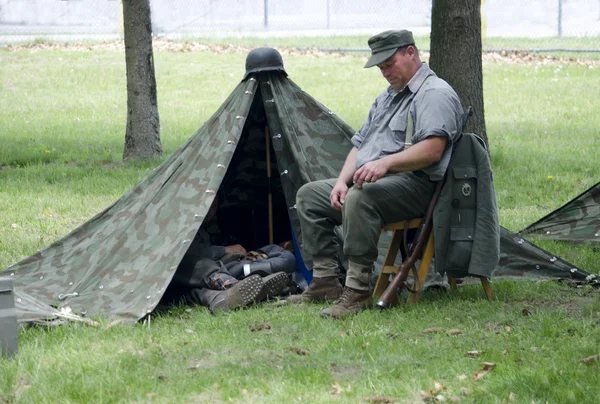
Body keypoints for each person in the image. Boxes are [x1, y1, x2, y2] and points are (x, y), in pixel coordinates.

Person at [287, 29, 464, 318]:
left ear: (411, 53)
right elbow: (359, 146)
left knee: (360, 197)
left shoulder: (434, 94)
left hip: (419, 186)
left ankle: (357, 291)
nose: (385, 72)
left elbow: (432, 149)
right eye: (381, 67)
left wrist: (386, 164)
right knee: (310, 196)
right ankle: (325, 282)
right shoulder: (387, 97)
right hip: (379, 182)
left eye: (389, 64)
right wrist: (342, 181)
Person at [165, 195, 296, 314]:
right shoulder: (178, 225)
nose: (210, 212)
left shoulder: (208, 228)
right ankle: (236, 285)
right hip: (196, 274)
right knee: (200, 265)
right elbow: (185, 253)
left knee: (284, 258)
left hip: (218, 271)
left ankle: (225, 298)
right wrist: (224, 250)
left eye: (214, 206)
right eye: (208, 205)